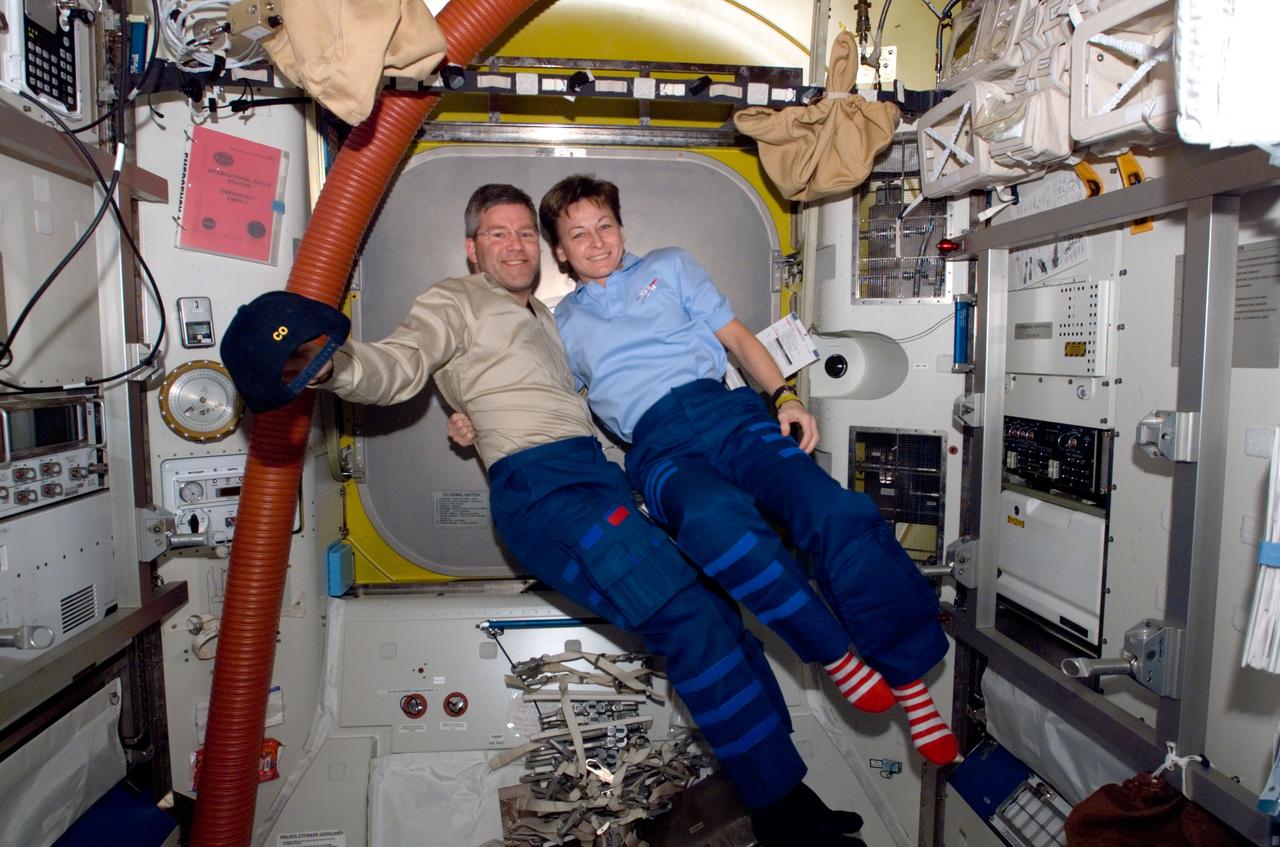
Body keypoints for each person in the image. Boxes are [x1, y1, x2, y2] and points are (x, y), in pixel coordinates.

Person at [298, 184, 868, 845]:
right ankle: (780, 814)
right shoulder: (452, 301)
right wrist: (328, 365)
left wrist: (470, 418)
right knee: (685, 616)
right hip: (545, 492)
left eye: (523, 234)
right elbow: (396, 366)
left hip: (594, 480)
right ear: (471, 248)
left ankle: (781, 790)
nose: (514, 246)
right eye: (497, 234)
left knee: (716, 607)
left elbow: (568, 395)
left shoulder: (548, 318)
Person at [535, 174, 958, 765]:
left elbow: (734, 337)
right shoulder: (559, 327)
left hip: (728, 413)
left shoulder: (671, 266)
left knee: (835, 510)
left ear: (622, 226)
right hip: (659, 448)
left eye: (605, 225)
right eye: (578, 233)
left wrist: (784, 396)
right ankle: (835, 653)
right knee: (714, 522)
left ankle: (912, 686)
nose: (597, 241)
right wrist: (477, 422)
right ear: (559, 250)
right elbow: (546, 400)